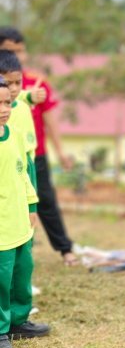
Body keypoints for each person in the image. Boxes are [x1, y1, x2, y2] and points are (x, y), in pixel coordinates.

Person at [0, 28, 76, 266]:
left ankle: (64, 249)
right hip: (7, 157)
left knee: (43, 201)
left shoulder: (35, 83)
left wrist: (61, 152)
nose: (19, 57)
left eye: (21, 51)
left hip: (34, 154)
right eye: (12, 51)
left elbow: (49, 118)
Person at [0, 76, 42, 348]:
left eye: (7, 102)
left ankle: (18, 321)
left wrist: (31, 205)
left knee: (21, 273)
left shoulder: (12, 134)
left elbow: (23, 174)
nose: (5, 108)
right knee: (1, 281)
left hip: (18, 223)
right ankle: (1, 330)